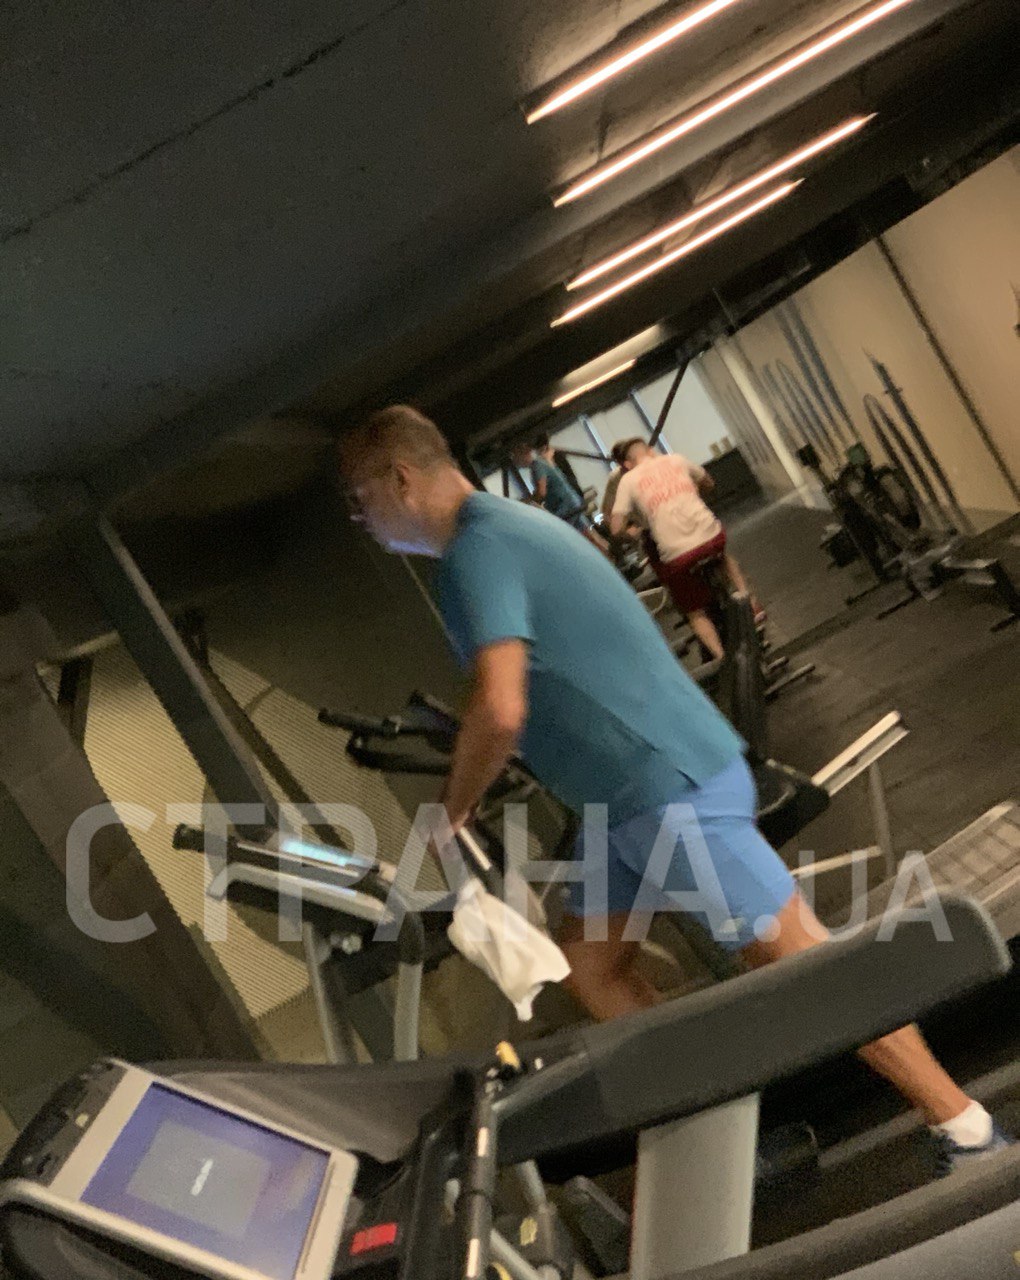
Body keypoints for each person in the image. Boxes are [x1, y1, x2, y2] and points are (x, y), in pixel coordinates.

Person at [337, 404, 1008, 1174]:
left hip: (664, 788)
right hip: (618, 804)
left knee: (809, 968)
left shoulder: (476, 552)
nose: (361, 519)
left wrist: (454, 806)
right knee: (591, 969)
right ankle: (727, 1143)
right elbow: (524, 685)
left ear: (401, 478)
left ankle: (967, 1129)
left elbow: (502, 703)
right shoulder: (501, 532)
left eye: (360, 500)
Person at [610, 439, 756, 661]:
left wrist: (631, 533)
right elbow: (708, 483)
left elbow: (615, 528)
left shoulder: (628, 480)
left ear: (627, 464)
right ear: (651, 451)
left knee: (694, 611)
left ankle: (722, 658)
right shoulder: (676, 459)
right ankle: (750, 602)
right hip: (712, 538)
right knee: (723, 556)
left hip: (678, 555)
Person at [511, 439, 610, 557]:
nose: (515, 461)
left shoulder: (537, 466)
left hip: (565, 507)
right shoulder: (543, 462)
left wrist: (530, 502)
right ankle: (611, 555)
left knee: (571, 539)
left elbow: (541, 492)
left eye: (515, 456)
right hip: (571, 501)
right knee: (590, 535)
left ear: (522, 454)